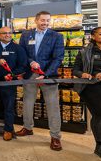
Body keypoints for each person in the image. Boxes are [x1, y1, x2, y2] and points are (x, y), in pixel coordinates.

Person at [17, 11, 65, 151]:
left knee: (52, 105)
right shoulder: (26, 35)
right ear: (36, 20)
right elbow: (22, 53)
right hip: (30, 74)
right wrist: (31, 62)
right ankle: (28, 127)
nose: (45, 23)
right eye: (42, 20)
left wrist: (46, 73)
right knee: (27, 102)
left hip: (48, 75)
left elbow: (58, 58)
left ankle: (55, 136)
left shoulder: (56, 36)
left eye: (48, 20)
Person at [0, 27, 27, 141]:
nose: (7, 35)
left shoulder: (18, 48)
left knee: (9, 107)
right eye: (4, 33)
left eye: (9, 33)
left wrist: (12, 74)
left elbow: (23, 65)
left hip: (9, 82)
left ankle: (8, 129)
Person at [73, 26, 101, 159]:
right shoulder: (84, 51)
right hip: (91, 88)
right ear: (93, 36)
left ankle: (99, 146)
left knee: (99, 116)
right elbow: (76, 70)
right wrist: (84, 74)